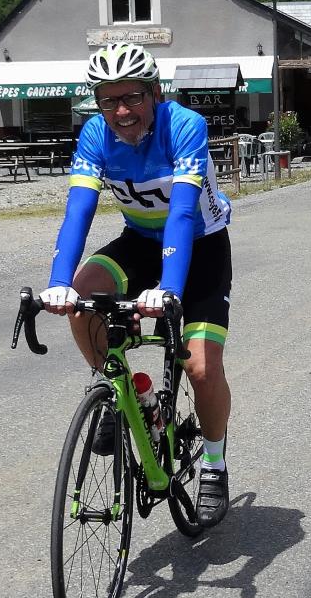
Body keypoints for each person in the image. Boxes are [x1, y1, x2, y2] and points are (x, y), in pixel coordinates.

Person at [39, 42, 234, 528]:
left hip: (201, 245)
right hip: (139, 240)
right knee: (85, 294)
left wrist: (168, 288)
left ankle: (214, 465)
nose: (121, 111)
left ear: (155, 92)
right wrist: (59, 283)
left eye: (132, 98)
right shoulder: (94, 136)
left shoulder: (185, 126)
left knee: (202, 367)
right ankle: (120, 389)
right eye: (108, 100)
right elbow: (78, 212)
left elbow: (184, 214)